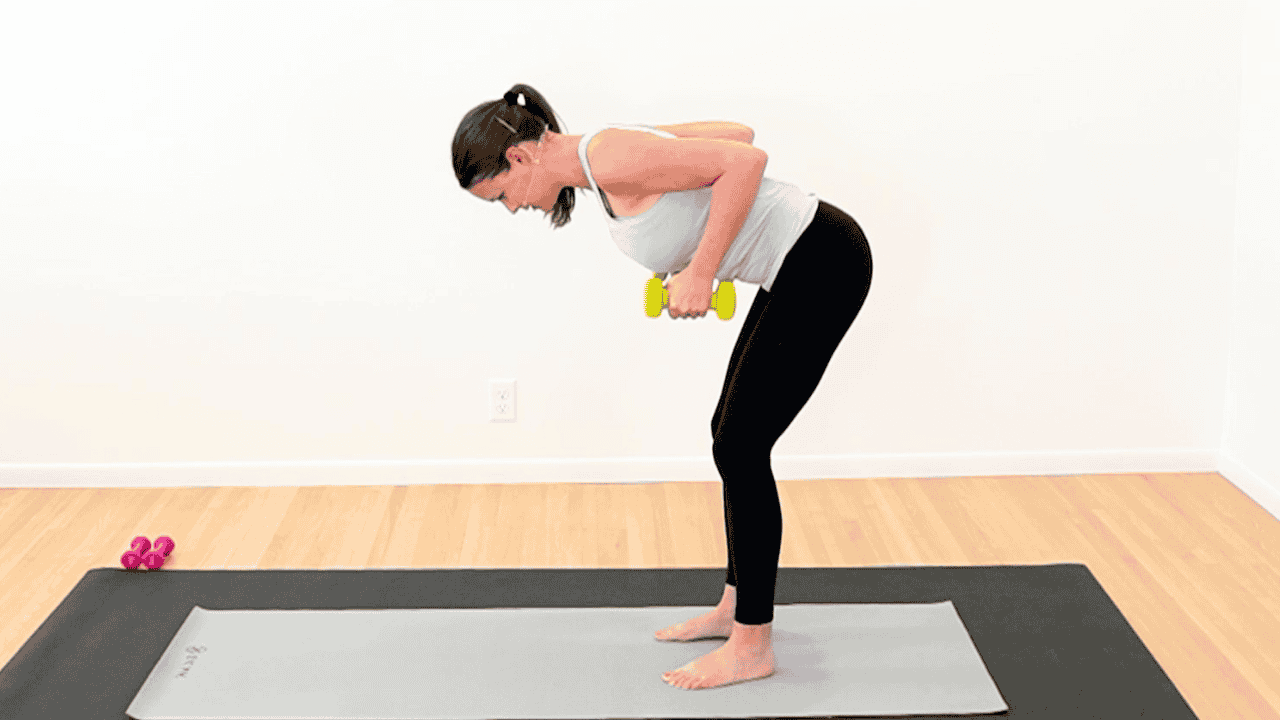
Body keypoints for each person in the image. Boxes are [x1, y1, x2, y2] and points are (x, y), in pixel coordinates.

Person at [452, 84, 873, 690]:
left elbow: (748, 162)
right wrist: (658, 145)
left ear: (519, 157)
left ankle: (753, 645)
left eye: (502, 197)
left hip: (822, 259)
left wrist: (701, 270)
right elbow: (737, 133)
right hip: (798, 263)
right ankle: (737, 606)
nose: (514, 209)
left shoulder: (612, 156)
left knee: (741, 446)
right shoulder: (611, 157)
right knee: (728, 437)